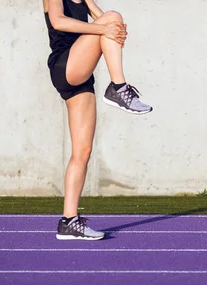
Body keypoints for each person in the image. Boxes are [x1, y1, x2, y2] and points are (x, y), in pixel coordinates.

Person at [43, 0, 152, 240]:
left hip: (82, 75)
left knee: (82, 150)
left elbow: (105, 22)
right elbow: (58, 21)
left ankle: (69, 222)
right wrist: (106, 28)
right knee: (112, 17)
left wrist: (117, 32)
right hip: (65, 65)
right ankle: (118, 88)